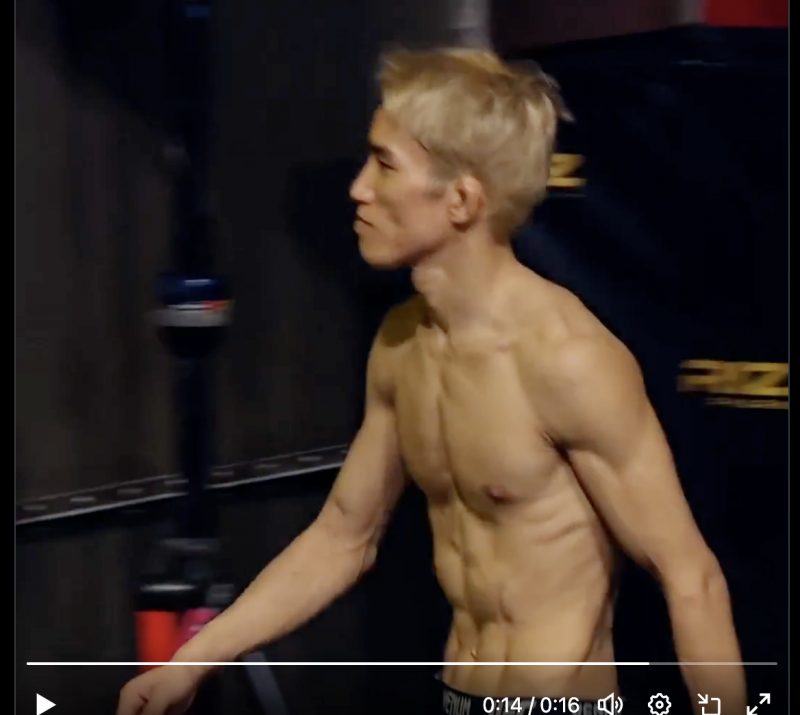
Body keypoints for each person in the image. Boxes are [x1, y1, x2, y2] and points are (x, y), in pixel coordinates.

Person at [116, 48, 747, 715]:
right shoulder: (401, 345)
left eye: (385, 165)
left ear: (461, 200)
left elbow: (692, 578)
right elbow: (342, 538)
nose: (359, 189)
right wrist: (191, 662)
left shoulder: (566, 359)